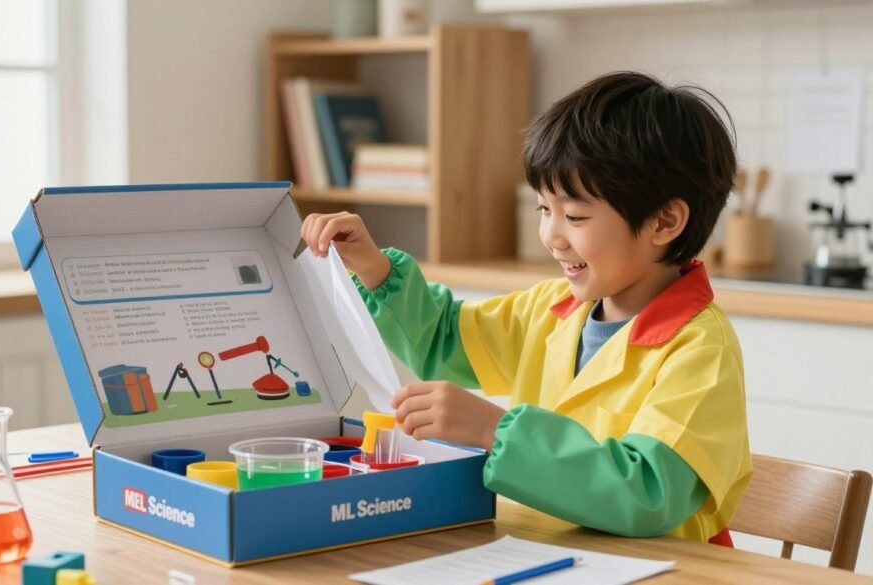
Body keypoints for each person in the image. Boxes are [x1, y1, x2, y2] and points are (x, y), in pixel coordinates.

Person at [299, 72, 751, 543]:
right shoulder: (552, 309)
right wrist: (373, 268)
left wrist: (495, 431)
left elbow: (647, 494)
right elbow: (444, 338)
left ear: (665, 220)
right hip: (552, 555)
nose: (552, 237)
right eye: (543, 209)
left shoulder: (700, 350)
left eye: (574, 216)